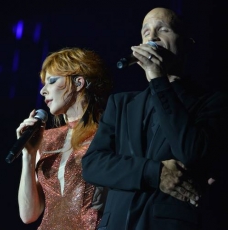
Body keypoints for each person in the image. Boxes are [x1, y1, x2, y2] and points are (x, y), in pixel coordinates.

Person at [82, 7, 228, 230]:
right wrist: (155, 172)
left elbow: (191, 152)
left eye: (163, 29)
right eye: (146, 32)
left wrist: (158, 79)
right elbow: (92, 165)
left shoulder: (211, 102)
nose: (152, 37)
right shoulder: (121, 104)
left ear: (187, 44)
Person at [17, 47, 112, 230]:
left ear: (79, 83)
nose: (43, 91)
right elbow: (29, 214)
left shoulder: (106, 133)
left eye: (51, 81)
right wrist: (28, 155)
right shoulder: (46, 139)